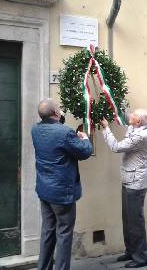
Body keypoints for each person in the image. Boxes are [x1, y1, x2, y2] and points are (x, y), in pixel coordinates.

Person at [31, 98, 93, 270]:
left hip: (44, 190)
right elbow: (85, 152)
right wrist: (85, 138)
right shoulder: (65, 133)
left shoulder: (35, 129)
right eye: (58, 110)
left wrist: (59, 117)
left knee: (48, 231)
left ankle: (43, 267)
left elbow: (54, 133)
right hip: (62, 194)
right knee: (64, 234)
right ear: (56, 113)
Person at [100, 109, 147, 268]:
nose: (131, 116)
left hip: (135, 183)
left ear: (139, 122)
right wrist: (114, 105)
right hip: (129, 180)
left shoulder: (140, 136)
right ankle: (131, 251)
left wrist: (106, 128)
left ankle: (141, 258)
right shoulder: (137, 125)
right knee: (128, 220)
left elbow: (116, 147)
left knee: (135, 222)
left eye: (135, 116)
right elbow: (126, 113)